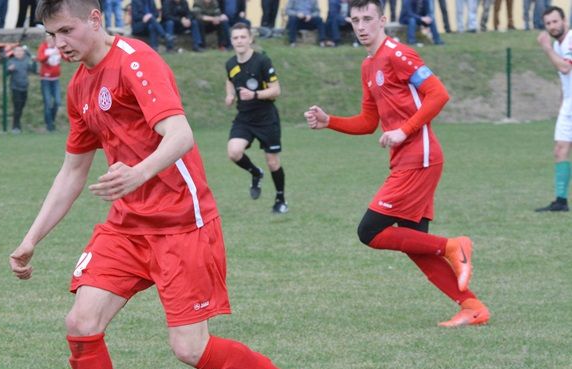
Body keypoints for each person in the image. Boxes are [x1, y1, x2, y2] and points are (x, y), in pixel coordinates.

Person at [11, 0, 326, 369]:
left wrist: (136, 172)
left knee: (190, 350)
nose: (59, 45)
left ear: (95, 18)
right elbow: (74, 168)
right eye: (52, 35)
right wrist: (31, 238)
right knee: (81, 322)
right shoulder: (79, 87)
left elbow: (179, 134)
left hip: (183, 223)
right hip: (127, 226)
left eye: (66, 31)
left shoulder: (137, 61)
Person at [305, 0, 490, 327]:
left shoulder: (398, 54)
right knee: (414, 244)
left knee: (370, 231)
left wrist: (404, 131)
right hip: (407, 160)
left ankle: (453, 245)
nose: (361, 26)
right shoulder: (368, 65)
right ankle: (472, 307)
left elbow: (439, 94)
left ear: (383, 20)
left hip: (420, 158)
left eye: (367, 19)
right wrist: (328, 120)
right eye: (355, 20)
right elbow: (367, 122)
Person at [225, 23, 289, 213]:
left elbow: (276, 90)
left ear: (250, 39)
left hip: (266, 118)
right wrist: (229, 95)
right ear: (231, 41)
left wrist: (254, 95)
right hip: (244, 118)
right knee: (234, 152)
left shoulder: (262, 61)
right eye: (235, 38)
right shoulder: (230, 64)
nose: (239, 41)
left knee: (273, 162)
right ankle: (256, 172)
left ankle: (280, 200)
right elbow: (229, 80)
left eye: (243, 37)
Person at [535, 6, 571, 212]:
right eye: (548, 23)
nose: (552, 26)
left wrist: (546, 47)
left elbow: (565, 67)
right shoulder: (558, 44)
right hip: (568, 104)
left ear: (564, 20)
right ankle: (561, 201)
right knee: (560, 150)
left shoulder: (569, 39)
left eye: (555, 21)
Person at [37, 33, 62, 131]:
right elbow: (41, 58)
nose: (50, 40)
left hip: (56, 79)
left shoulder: (58, 47)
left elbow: (64, 56)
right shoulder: (43, 47)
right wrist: (50, 53)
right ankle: (49, 125)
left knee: (57, 101)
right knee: (47, 102)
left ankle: (51, 119)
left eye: (52, 38)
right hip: (45, 79)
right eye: (48, 38)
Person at [8, 46, 33, 133]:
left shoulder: (27, 60)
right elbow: (6, 73)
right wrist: (9, 70)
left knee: (21, 106)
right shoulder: (11, 61)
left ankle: (17, 124)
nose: (19, 53)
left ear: (23, 52)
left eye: (21, 51)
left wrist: (32, 59)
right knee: (17, 107)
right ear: (14, 53)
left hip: (24, 87)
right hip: (15, 88)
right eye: (17, 51)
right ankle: (15, 126)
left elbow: (33, 69)